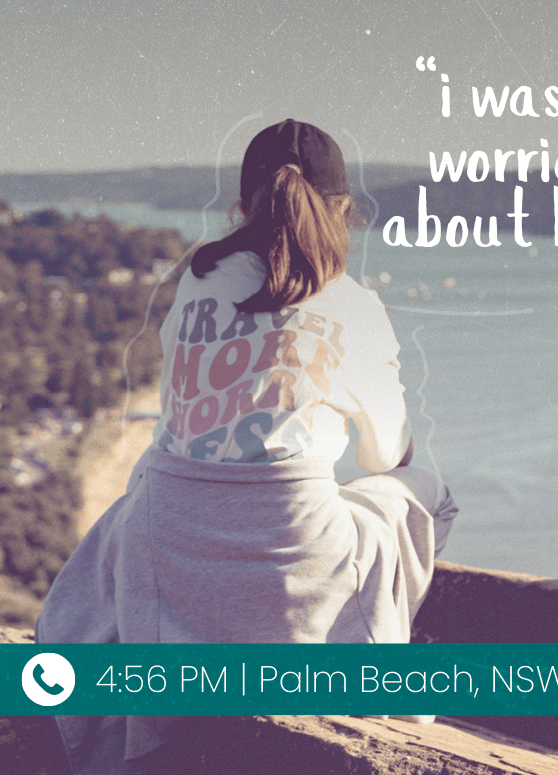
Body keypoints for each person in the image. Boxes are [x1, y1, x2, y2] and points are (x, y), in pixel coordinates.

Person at [36, 119, 458, 773]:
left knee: (146, 485)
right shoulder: (351, 304)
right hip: (291, 564)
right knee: (422, 493)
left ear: (240, 208)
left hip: (169, 552)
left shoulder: (193, 287)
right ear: (343, 208)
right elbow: (384, 458)